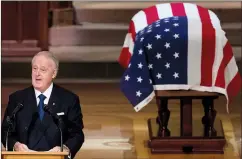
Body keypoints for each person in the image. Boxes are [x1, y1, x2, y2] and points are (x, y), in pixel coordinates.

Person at [1, 51, 85, 159]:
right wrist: (16, 146)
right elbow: (5, 132)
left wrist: (64, 149)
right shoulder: (17, 99)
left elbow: (77, 134)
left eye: (43, 70)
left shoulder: (69, 100)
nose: (37, 74)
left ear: (54, 73)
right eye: (34, 69)